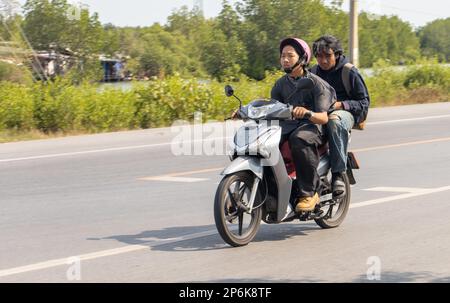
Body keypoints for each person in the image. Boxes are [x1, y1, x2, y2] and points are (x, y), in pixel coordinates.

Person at [271, 37, 336, 212]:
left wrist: (307, 112)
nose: (285, 59)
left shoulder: (316, 84)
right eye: (283, 55)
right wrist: (244, 111)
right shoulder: (280, 84)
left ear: (302, 59)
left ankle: (309, 192)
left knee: (298, 139)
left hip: (313, 128)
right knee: (264, 142)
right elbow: (273, 109)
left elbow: (323, 118)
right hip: (289, 126)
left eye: (290, 56)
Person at [311, 35, 370, 198]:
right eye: (319, 56)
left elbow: (364, 103)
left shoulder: (349, 72)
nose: (323, 60)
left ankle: (338, 175)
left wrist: (341, 105)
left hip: (346, 113)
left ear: (336, 54)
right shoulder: (313, 73)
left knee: (334, 120)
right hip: (320, 113)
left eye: (327, 56)